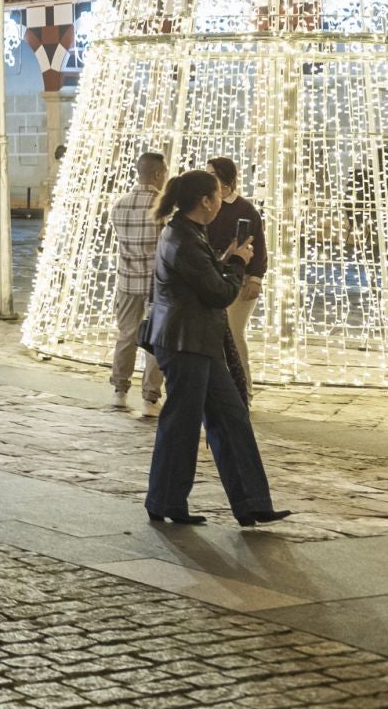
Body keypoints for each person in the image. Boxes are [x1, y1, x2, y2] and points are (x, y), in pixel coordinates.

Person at [143, 169, 288, 526]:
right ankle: (165, 500)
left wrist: (228, 261)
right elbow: (220, 293)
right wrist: (238, 261)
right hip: (185, 343)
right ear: (205, 201)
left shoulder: (188, 233)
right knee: (182, 424)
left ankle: (252, 503)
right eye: (217, 196)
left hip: (200, 341)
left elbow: (205, 279)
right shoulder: (182, 238)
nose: (222, 201)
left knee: (232, 417)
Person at [109, 152, 168, 413]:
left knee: (126, 335)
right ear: (157, 174)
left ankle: (120, 390)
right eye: (164, 173)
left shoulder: (119, 205)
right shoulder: (163, 207)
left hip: (127, 281)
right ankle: (150, 397)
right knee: (155, 340)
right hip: (155, 285)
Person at [205, 157, 267, 385]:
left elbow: (258, 245)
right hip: (212, 277)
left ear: (224, 178)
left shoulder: (245, 209)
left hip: (238, 279)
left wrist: (256, 277)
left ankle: (244, 386)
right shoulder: (207, 204)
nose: (208, 177)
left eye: (212, 174)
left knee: (233, 332)